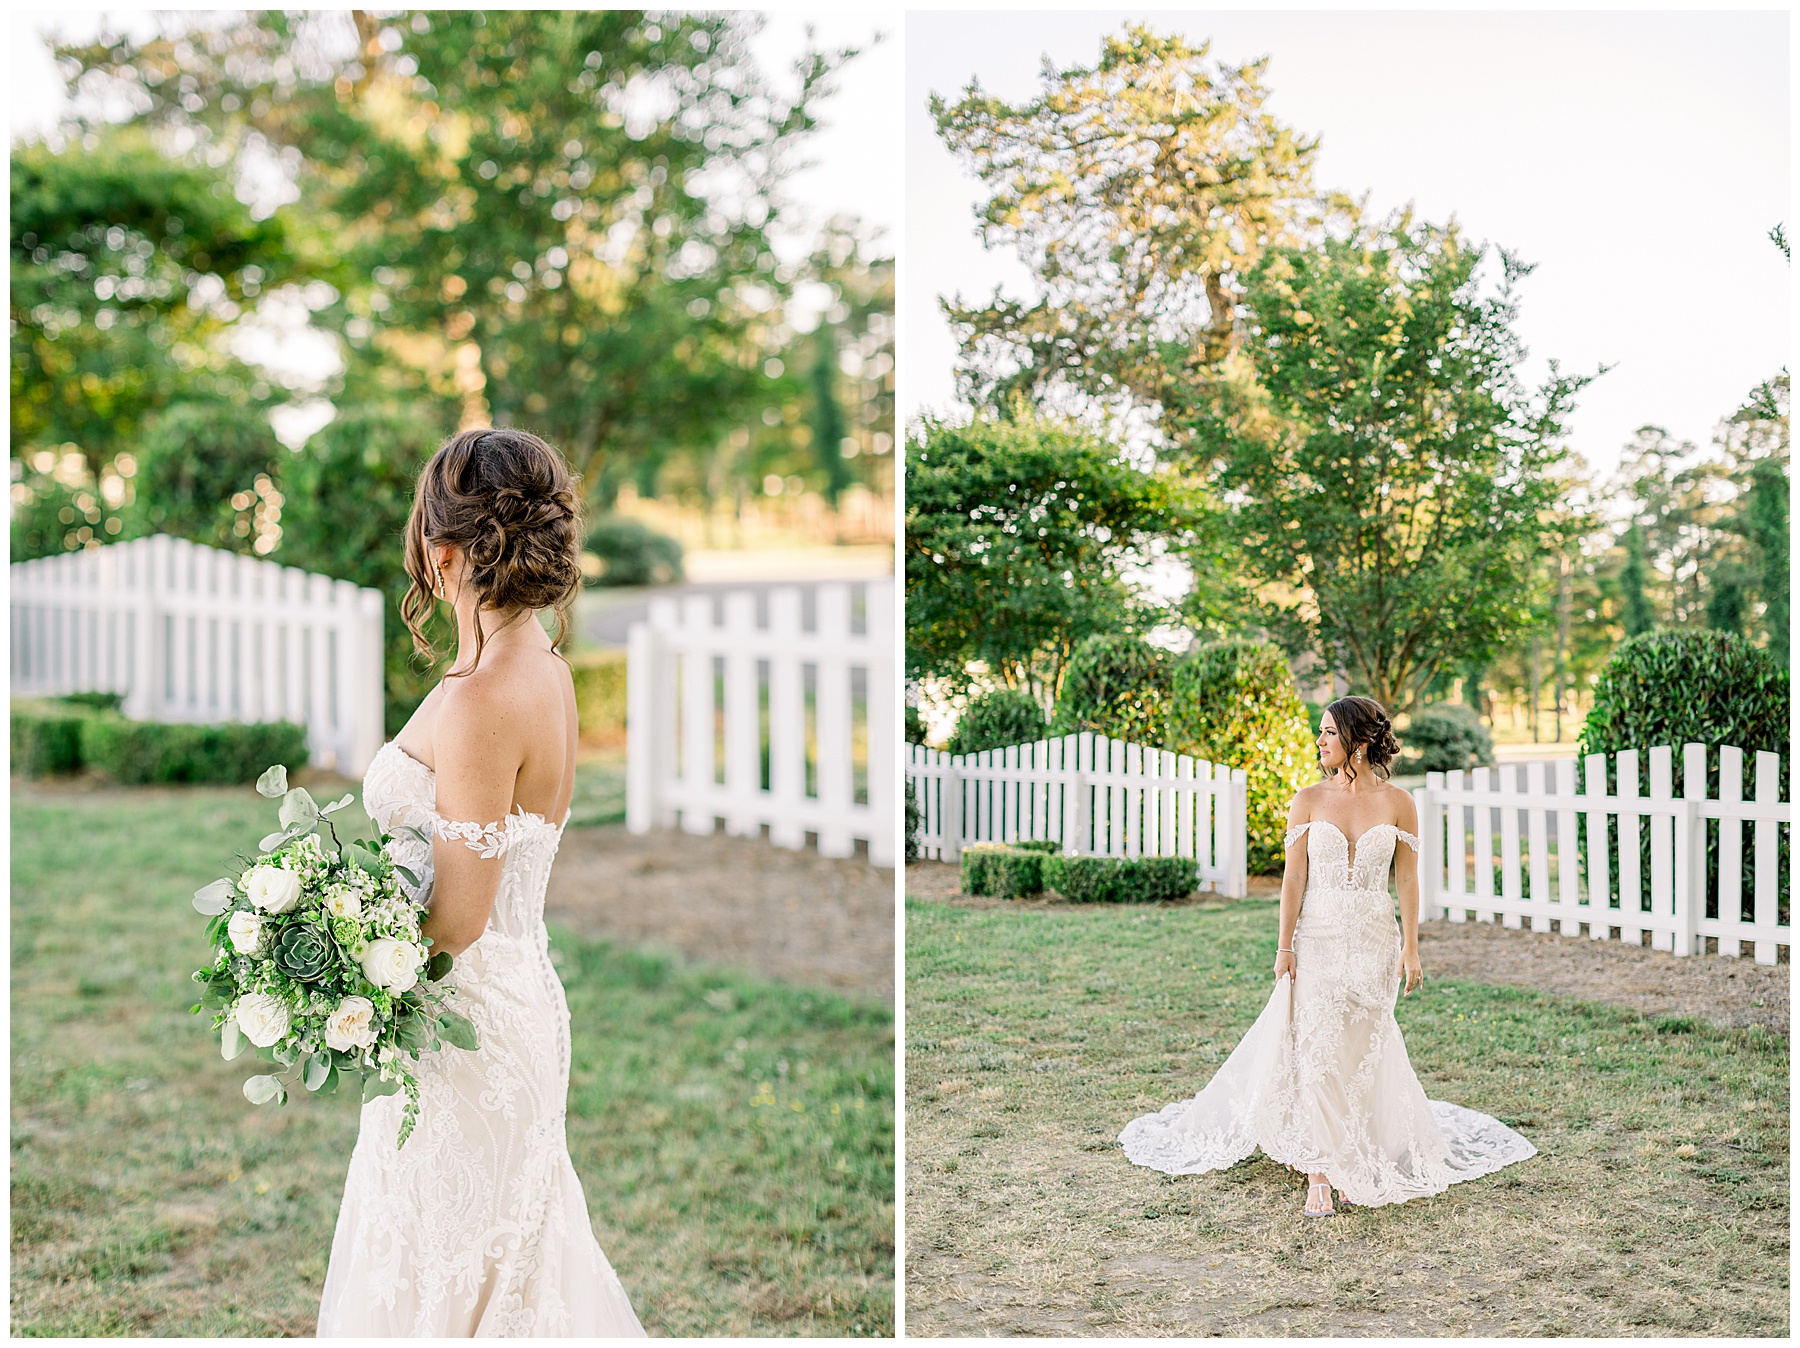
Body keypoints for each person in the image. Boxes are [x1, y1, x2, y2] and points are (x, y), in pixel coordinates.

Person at [318, 428, 644, 1335]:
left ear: (445, 550)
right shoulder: (543, 668)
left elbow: (456, 918)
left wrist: (334, 975)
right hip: (512, 1009)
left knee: (444, 1281)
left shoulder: (479, 701)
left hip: (463, 1035)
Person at [1118, 694, 1536, 1216]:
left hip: (1373, 938)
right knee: (1315, 1046)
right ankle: (1320, 1169)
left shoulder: (1400, 803)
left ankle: (1357, 1147)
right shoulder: (1308, 799)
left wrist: (1411, 947)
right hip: (1317, 936)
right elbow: (1294, 877)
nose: (1319, 742)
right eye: (1319, 733)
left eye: (1329, 733)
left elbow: (1406, 877)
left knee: (1360, 1047)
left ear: (1358, 740)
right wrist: (1284, 945)